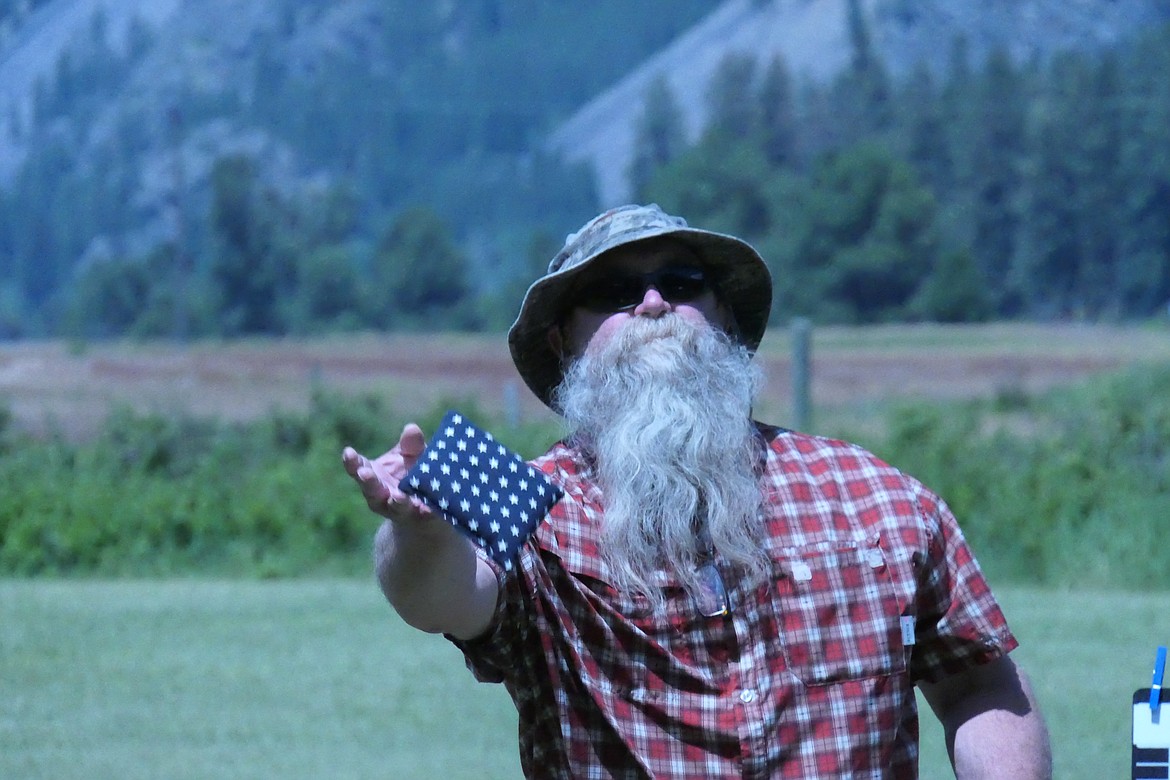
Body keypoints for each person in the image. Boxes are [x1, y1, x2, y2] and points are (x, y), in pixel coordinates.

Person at [342, 204, 1052, 779]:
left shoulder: (874, 494)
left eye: (681, 283)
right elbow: (439, 596)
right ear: (563, 342)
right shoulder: (525, 491)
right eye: (613, 294)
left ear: (725, 320)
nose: (653, 304)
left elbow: (978, 683)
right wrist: (418, 528)